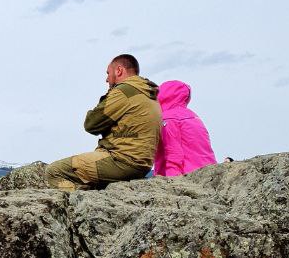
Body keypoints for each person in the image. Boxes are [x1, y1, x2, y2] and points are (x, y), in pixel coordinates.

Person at [46, 53, 162, 190]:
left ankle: (77, 206)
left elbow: (91, 124)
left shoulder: (124, 91)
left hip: (121, 161)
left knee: (54, 171)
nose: (107, 79)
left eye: (108, 73)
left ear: (119, 70)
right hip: (143, 165)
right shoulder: (149, 94)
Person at [153, 80, 216, 176]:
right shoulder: (194, 116)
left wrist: (171, 180)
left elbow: (173, 153)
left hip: (187, 174)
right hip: (208, 172)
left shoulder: (168, 118)